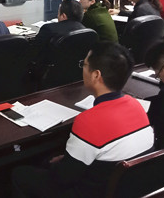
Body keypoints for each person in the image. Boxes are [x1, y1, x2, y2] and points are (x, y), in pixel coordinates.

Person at [11, 42, 154, 197]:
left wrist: (60, 165)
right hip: (127, 188)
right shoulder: (136, 106)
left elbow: (62, 178)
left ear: (96, 75)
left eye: (84, 65)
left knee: (20, 173)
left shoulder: (89, 121)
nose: (82, 69)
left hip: (92, 192)